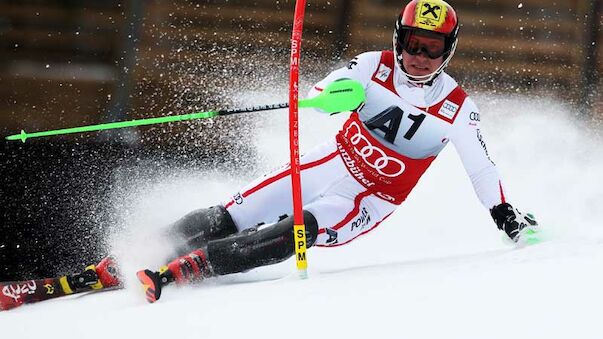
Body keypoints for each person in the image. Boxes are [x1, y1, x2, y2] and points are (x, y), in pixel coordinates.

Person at [95, 0, 539, 303]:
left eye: (433, 48)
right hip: (330, 161)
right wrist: (334, 96)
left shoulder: (459, 108)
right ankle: (139, 254)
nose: (420, 57)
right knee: (232, 214)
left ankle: (185, 270)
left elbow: (482, 168)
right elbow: (320, 90)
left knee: (295, 230)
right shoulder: (373, 65)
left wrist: (503, 213)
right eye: (413, 44)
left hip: (367, 198)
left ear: (449, 49)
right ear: (399, 39)